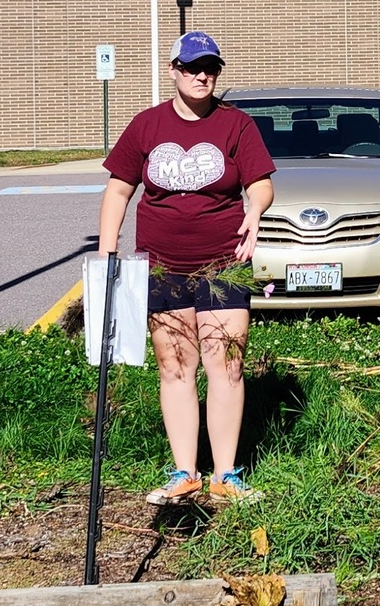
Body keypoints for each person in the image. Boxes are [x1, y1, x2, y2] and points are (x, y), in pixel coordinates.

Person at [98, 30, 275, 506]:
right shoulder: (147, 125)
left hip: (224, 266)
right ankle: (184, 472)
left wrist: (255, 210)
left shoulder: (236, 124)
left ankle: (226, 475)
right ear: (173, 70)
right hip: (163, 267)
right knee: (175, 367)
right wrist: (108, 253)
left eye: (210, 68)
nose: (202, 76)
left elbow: (261, 183)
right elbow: (118, 190)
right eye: (193, 67)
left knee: (227, 366)